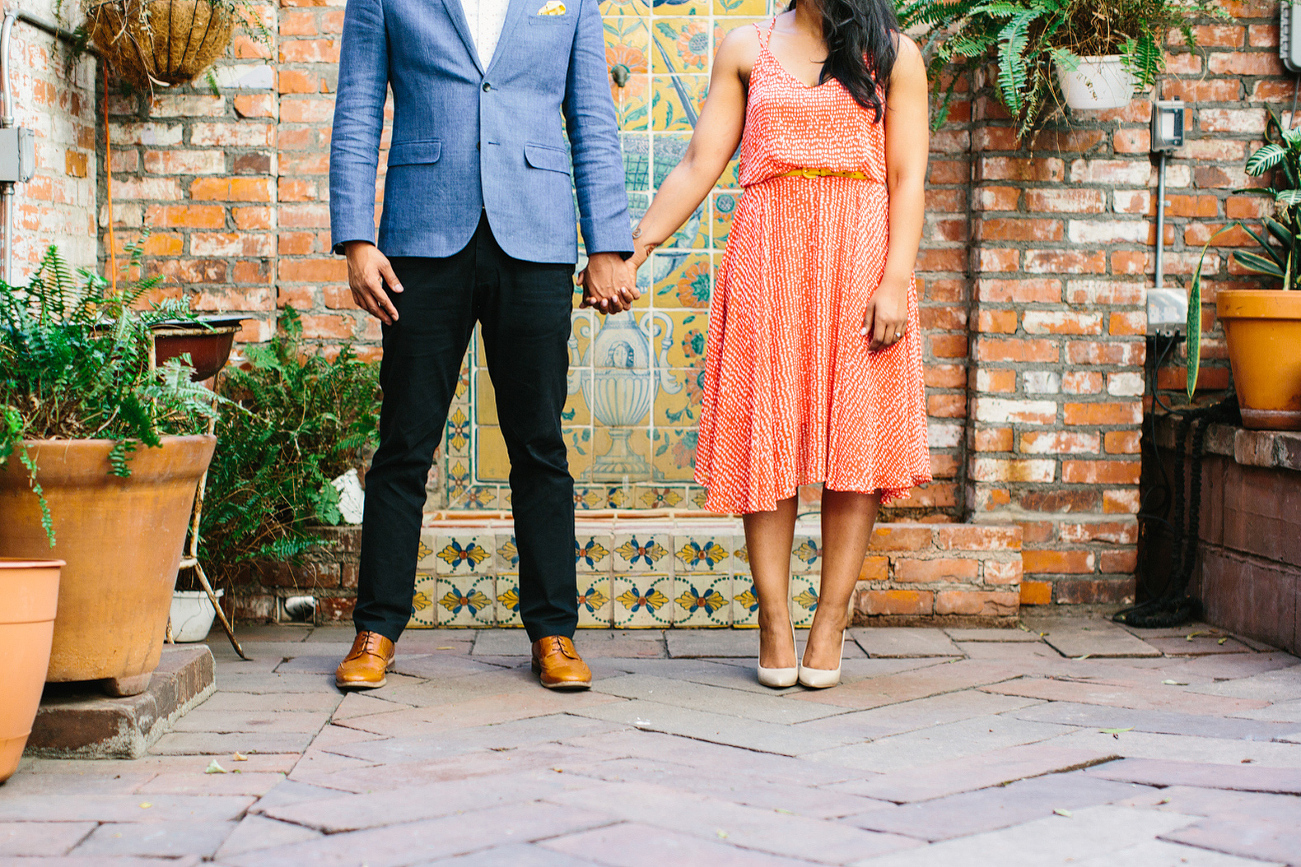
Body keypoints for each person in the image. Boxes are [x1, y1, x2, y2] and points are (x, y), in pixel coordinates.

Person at [328, 0, 637, 691]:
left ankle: (553, 632)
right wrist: (355, 238)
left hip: (533, 236)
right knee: (403, 443)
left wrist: (608, 243)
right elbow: (356, 115)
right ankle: (374, 629)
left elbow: (592, 121)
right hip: (420, 239)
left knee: (538, 444)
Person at [627, 0, 931, 689]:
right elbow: (699, 161)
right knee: (765, 439)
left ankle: (829, 621)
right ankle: (772, 619)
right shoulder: (745, 46)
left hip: (859, 259)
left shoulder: (893, 54)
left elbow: (908, 176)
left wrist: (895, 277)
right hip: (768, 257)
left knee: (852, 444)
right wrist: (635, 246)